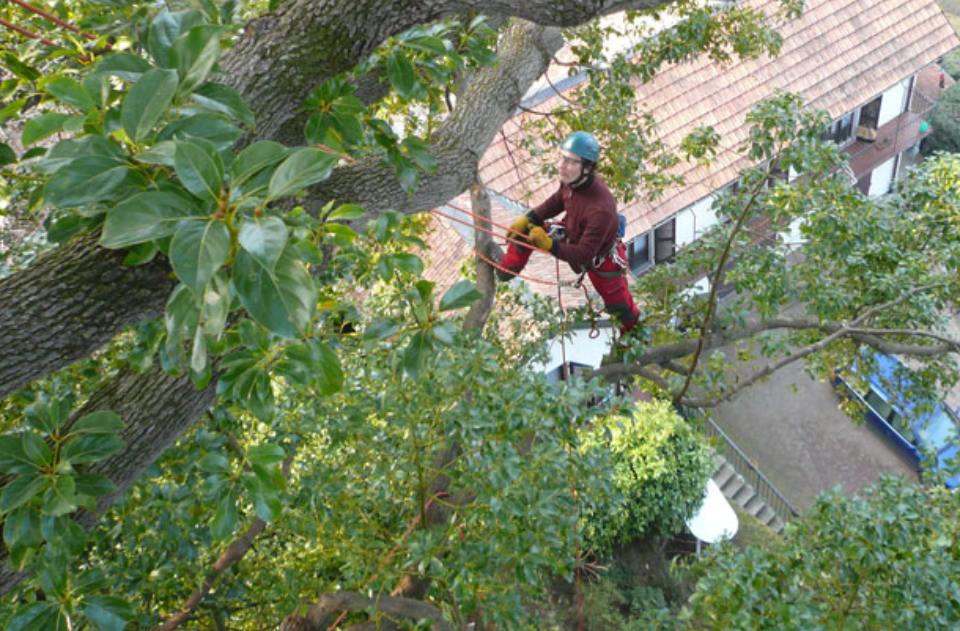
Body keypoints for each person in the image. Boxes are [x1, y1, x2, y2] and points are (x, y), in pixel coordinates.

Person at [498, 131, 641, 334]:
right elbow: (558, 200)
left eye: (572, 162)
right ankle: (507, 267)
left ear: (587, 168)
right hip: (572, 231)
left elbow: (584, 254)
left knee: (621, 308)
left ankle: (632, 337)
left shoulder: (600, 208)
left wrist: (549, 245)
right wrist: (530, 218)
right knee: (527, 233)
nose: (563, 166)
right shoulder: (571, 181)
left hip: (601, 260)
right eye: (563, 158)